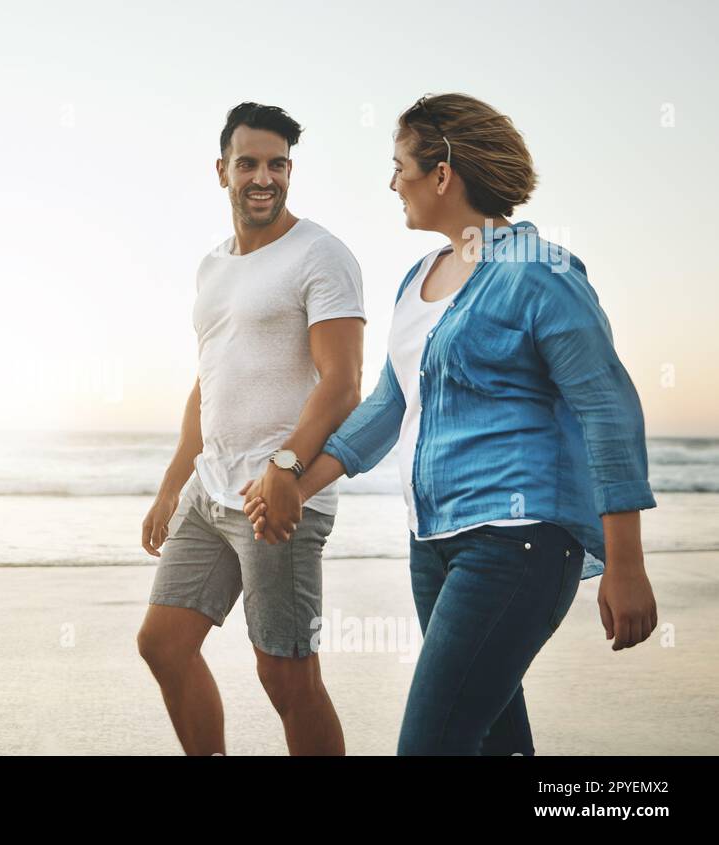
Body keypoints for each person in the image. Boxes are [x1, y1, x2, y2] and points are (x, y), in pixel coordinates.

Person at [245, 93, 659, 755]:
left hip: (516, 543)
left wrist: (626, 561)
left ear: (442, 175)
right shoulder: (418, 279)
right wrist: (296, 480)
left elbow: (607, 405)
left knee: (431, 743)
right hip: (431, 544)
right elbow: (388, 406)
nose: (392, 183)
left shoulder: (538, 273)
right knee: (494, 740)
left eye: (400, 166)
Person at [137, 102, 366, 755]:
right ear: (222, 171)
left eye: (277, 164)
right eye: (249, 163)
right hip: (208, 495)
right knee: (163, 645)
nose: (263, 177)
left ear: (290, 170)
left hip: (279, 499)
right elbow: (208, 383)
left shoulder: (321, 254)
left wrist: (288, 465)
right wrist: (170, 486)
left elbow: (344, 381)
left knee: (287, 675)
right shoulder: (212, 267)